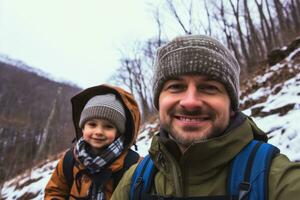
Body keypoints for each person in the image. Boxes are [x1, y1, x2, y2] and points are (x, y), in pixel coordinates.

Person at [111, 35, 300, 200]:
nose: (190, 102)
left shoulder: (276, 180)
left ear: (231, 105)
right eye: (176, 86)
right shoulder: (135, 183)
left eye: (209, 87)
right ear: (159, 101)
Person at [45, 84, 141, 200]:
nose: (99, 131)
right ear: (83, 127)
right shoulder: (70, 160)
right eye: (92, 124)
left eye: (108, 126)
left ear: (118, 132)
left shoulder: (133, 165)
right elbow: (55, 191)